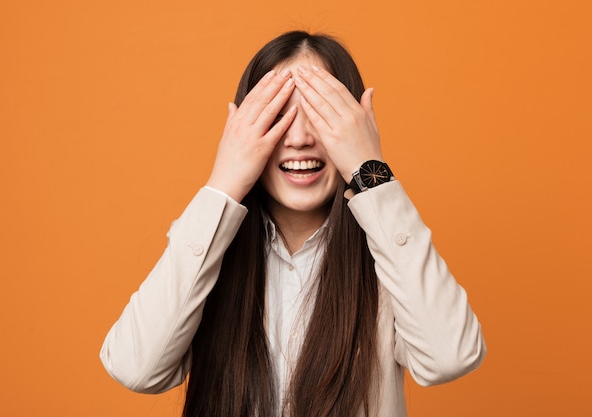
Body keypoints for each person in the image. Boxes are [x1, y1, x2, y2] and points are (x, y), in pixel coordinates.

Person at [100, 30, 486, 417]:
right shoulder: (209, 260)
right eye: (279, 115)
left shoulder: (388, 264)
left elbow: (450, 356)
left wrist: (372, 174)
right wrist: (224, 183)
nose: (299, 138)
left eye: (321, 115)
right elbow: (136, 368)